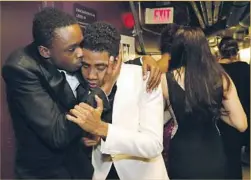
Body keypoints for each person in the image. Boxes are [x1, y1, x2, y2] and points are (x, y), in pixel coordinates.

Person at [1, 8, 161, 179]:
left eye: (80, 44)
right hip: (47, 173)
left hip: (86, 170)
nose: (80, 53)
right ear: (45, 51)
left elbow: (103, 59)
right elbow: (58, 133)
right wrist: (104, 89)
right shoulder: (21, 69)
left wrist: (145, 59)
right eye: (72, 49)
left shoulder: (76, 59)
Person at [66, 21, 168, 180]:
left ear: (116, 59)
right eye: (86, 66)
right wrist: (88, 139)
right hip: (101, 173)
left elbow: (153, 145)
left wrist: (103, 129)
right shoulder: (78, 81)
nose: (91, 75)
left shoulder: (144, 79)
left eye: (100, 67)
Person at [160, 26, 247, 179]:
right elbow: (241, 124)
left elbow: (158, 120)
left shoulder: (165, 81)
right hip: (214, 156)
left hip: (182, 158)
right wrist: (216, 112)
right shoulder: (221, 78)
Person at [218, 36, 250, 178]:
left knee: (225, 158)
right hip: (243, 119)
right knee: (235, 160)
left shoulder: (216, 70)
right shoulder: (245, 68)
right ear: (236, 52)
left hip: (222, 120)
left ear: (220, 52)